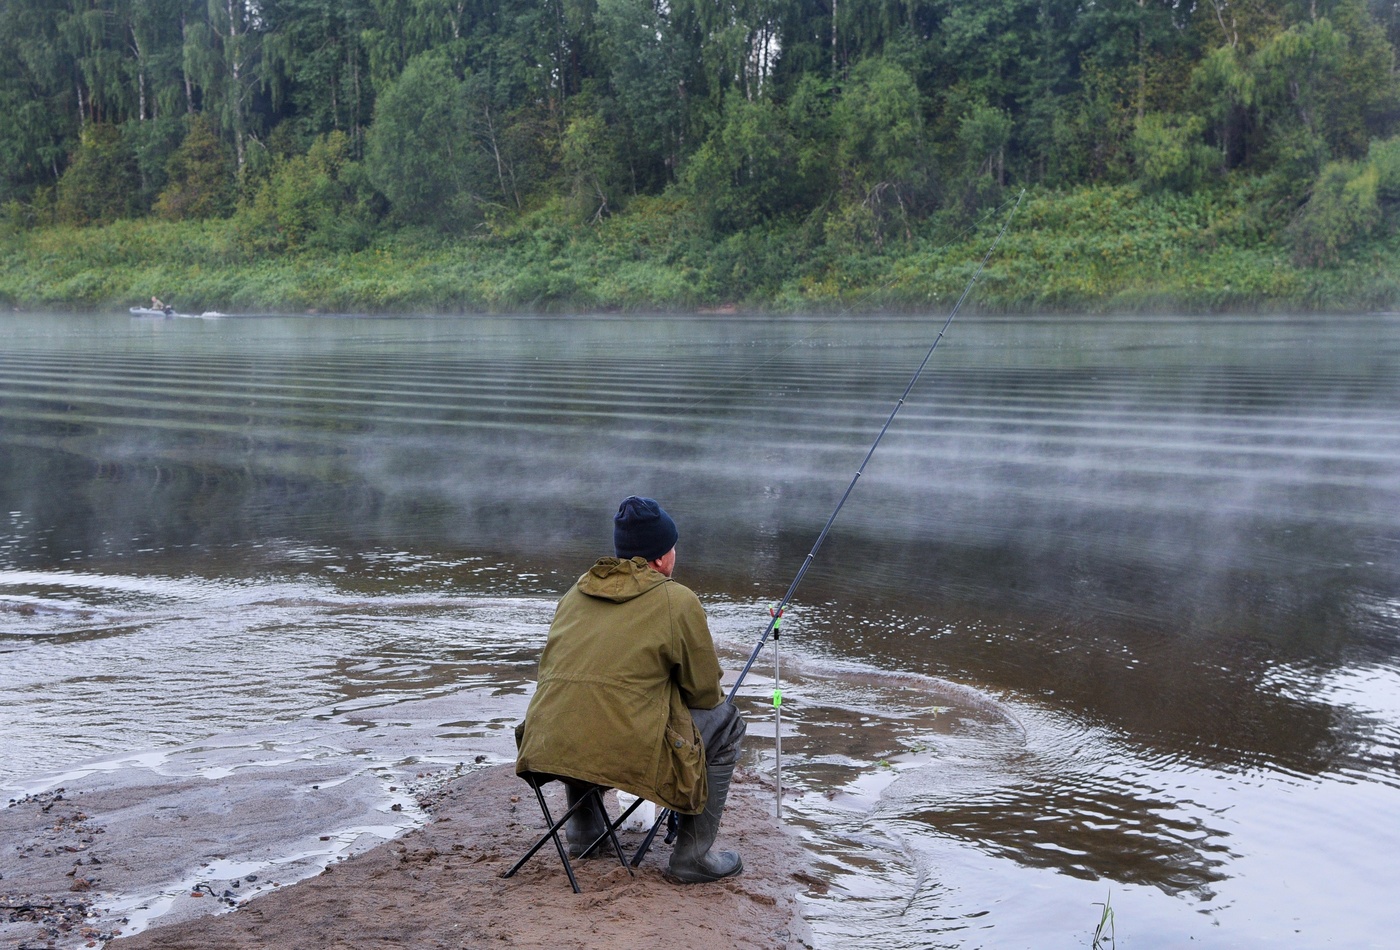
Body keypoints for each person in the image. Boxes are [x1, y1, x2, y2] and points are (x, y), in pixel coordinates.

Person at [514, 495, 746, 883]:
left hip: (546, 743)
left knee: (585, 708)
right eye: (673, 546)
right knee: (728, 724)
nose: (675, 554)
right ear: (659, 558)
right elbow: (705, 694)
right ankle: (693, 856)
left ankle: (584, 830)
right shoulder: (677, 600)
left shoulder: (574, 594)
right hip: (623, 751)